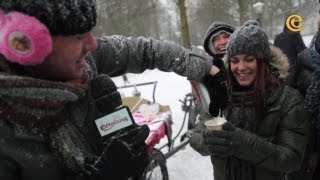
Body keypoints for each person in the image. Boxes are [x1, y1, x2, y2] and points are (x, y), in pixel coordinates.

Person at [0, 1, 220, 180]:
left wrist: (203, 65)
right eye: (78, 36)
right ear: (25, 44)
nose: (93, 44)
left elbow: (144, 50)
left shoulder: (85, 63)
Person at [190, 22, 309, 180]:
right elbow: (195, 135)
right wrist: (207, 141)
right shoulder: (219, 94)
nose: (241, 67)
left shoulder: (288, 99)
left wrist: (242, 143)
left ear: (263, 61)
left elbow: (292, 159)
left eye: (249, 59)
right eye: (234, 60)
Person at [190, 21, 235, 122]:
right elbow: (208, 109)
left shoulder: (248, 64)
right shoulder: (206, 70)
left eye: (226, 36)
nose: (223, 41)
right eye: (216, 39)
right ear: (211, 45)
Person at [274, 17, 306, 87]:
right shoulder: (296, 37)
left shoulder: (279, 37)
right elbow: (303, 54)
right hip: (295, 75)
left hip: (281, 74)